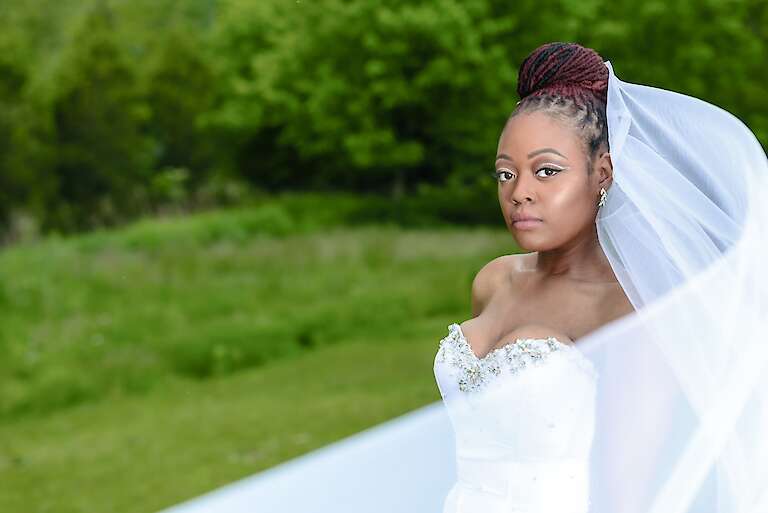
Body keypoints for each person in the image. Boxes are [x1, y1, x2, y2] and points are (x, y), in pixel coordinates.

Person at [434, 42, 768, 513]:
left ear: (603, 173)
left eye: (546, 171)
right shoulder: (493, 281)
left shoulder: (628, 310)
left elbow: (623, 495)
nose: (520, 193)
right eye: (505, 174)